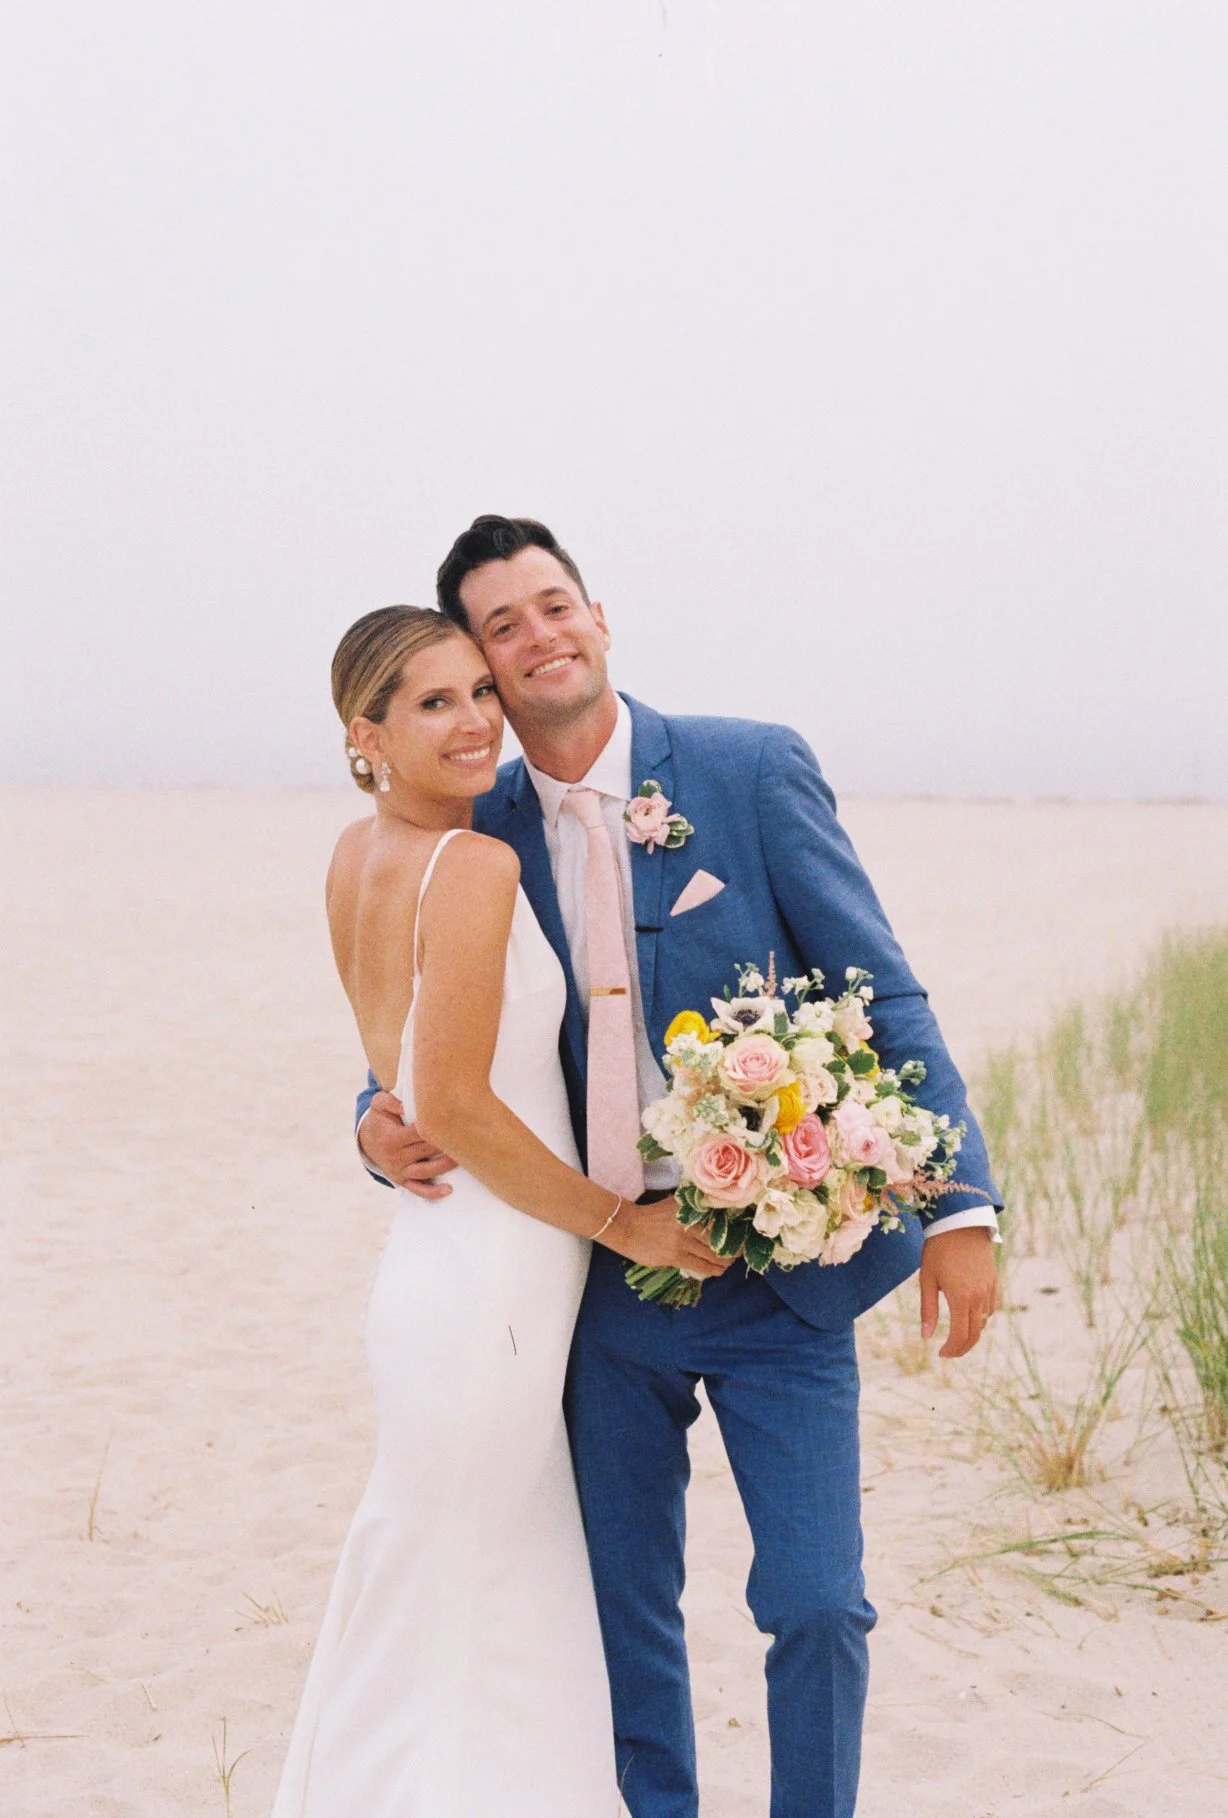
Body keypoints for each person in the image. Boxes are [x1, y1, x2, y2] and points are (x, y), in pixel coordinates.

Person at [357, 517, 1002, 1818]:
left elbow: (875, 984)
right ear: (475, 662)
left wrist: (960, 1205)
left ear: (598, 616)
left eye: (555, 605)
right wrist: (376, 1114)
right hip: (593, 1280)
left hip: (782, 1274)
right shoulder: (473, 828)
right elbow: (421, 1017)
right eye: (502, 625)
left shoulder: (747, 769)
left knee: (819, 1601)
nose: (538, 635)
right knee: (622, 1605)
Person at [272, 606, 726, 1818]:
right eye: (433, 703)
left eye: (479, 691)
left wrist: (377, 1117)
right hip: (494, 1280)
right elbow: (461, 1108)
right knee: (469, 1566)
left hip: (432, 1265)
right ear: (364, 732)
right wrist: (622, 1223)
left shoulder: (351, 855)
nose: (476, 721)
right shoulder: (474, 865)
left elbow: (401, 1078)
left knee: (444, 1561)